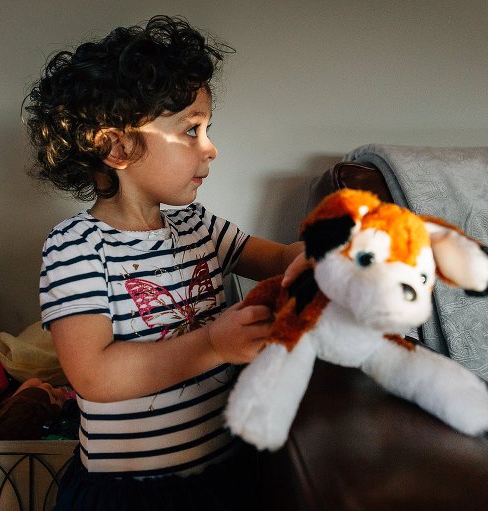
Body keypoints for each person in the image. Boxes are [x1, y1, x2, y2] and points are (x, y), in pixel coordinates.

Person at [25, 15, 306, 510]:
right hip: (130, 497)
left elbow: (281, 260)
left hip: (223, 475)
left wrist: (323, 254)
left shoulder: (199, 226)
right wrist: (214, 344)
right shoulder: (76, 246)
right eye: (191, 130)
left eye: (208, 129)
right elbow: (93, 374)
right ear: (118, 146)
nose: (211, 148)